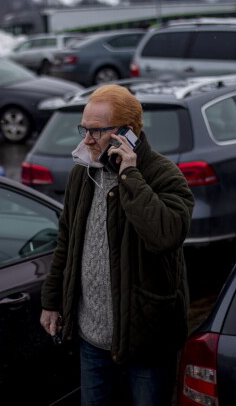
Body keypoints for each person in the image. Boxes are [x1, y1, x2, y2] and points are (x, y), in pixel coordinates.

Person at [40, 84, 195, 405]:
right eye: (84, 129)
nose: (86, 140)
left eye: (96, 131)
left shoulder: (163, 174)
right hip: (91, 334)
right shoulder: (81, 175)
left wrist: (130, 175)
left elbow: (165, 236)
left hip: (146, 337)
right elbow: (66, 241)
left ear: (129, 132)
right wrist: (51, 301)